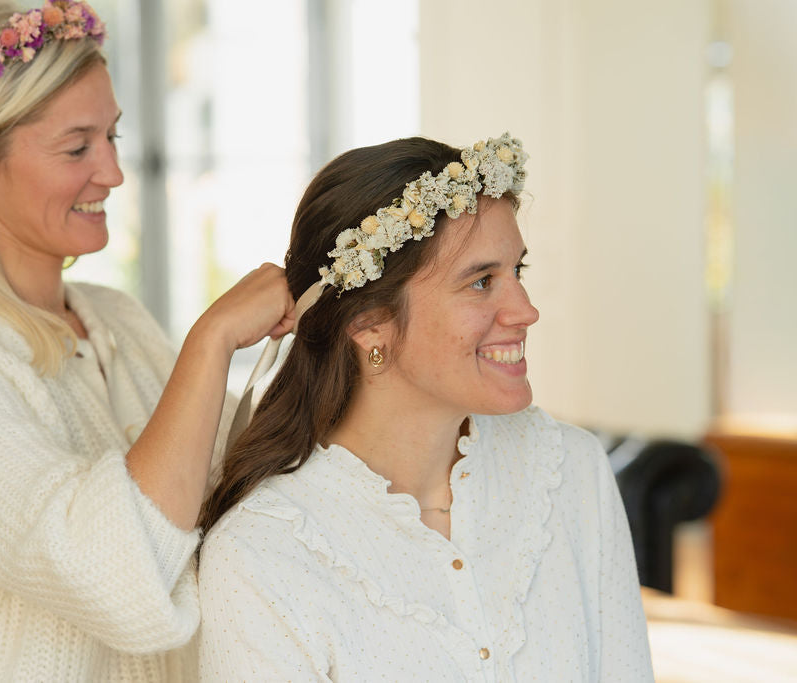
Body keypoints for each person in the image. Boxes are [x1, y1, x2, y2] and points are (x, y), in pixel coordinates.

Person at [0, 2, 292, 680]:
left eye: (113, 136)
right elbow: (102, 565)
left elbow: (236, 497)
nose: (114, 172)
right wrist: (212, 340)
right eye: (77, 147)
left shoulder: (114, 319)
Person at [197, 135, 655, 681]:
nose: (526, 311)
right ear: (369, 323)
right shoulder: (263, 554)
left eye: (518, 273)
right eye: (482, 282)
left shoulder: (570, 470)